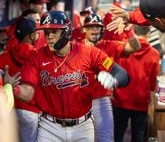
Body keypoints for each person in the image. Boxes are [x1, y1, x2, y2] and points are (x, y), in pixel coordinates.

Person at [10, 10, 130, 142]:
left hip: (82, 126)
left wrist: (114, 80)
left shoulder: (90, 53)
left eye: (54, 32)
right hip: (49, 127)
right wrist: (11, 87)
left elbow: (122, 74)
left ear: (66, 31)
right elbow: (28, 93)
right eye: (47, 32)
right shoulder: (36, 57)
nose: (49, 37)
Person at [81, 13, 141, 142]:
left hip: (101, 100)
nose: (95, 30)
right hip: (79, 100)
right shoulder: (75, 48)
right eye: (91, 27)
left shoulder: (109, 45)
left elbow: (136, 47)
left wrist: (128, 30)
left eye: (97, 27)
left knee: (106, 139)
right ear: (84, 29)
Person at [112, 25, 160, 142]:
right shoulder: (154, 54)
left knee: (117, 133)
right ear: (149, 33)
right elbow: (153, 81)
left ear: (133, 31)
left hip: (120, 99)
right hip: (141, 100)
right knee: (138, 134)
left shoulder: (122, 47)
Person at [0, 17, 40, 142]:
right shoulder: (38, 55)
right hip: (31, 109)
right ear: (32, 36)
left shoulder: (4, 56)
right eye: (36, 33)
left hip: (9, 109)